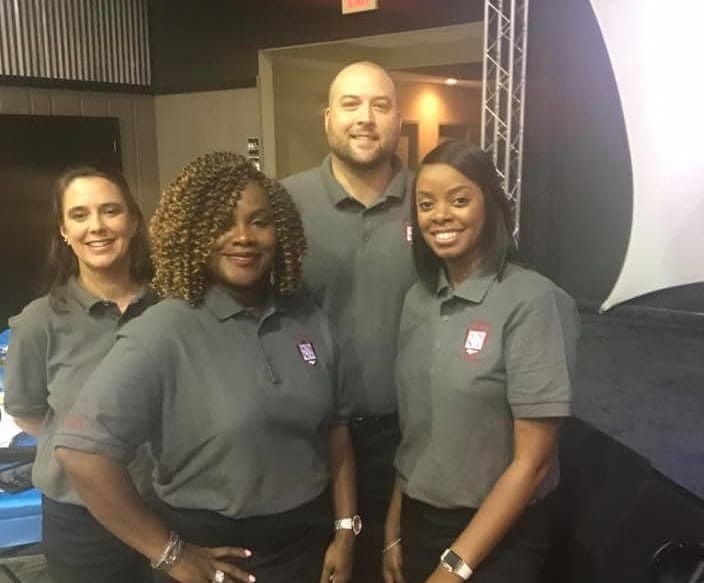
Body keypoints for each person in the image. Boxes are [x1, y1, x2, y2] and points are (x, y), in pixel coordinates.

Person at [53, 152, 357, 583]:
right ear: (193, 233)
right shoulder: (162, 331)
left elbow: (335, 427)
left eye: (259, 221)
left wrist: (345, 531)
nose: (243, 237)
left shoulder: (305, 317)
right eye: (221, 223)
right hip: (217, 559)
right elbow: (82, 454)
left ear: (281, 230)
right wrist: (171, 555)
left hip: (309, 548)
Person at [382, 140, 578, 583]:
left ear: (489, 205)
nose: (440, 215)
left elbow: (533, 464)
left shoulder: (533, 300)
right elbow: (416, 434)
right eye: (426, 204)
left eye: (459, 200)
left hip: (499, 536)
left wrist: (454, 568)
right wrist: (394, 529)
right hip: (419, 521)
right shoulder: (418, 299)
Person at [282, 61, 416, 583]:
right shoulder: (282, 204)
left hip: (405, 438)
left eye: (380, 105)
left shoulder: (431, 203)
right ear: (327, 118)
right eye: (351, 104)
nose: (365, 118)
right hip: (306, 438)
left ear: (399, 121)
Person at [3, 165, 156, 583]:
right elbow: (28, 412)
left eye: (110, 211)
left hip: (166, 505)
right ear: (64, 231)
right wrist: (84, 447)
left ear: (133, 222)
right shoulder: (39, 321)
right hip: (81, 520)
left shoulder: (172, 308)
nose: (97, 226)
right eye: (80, 214)